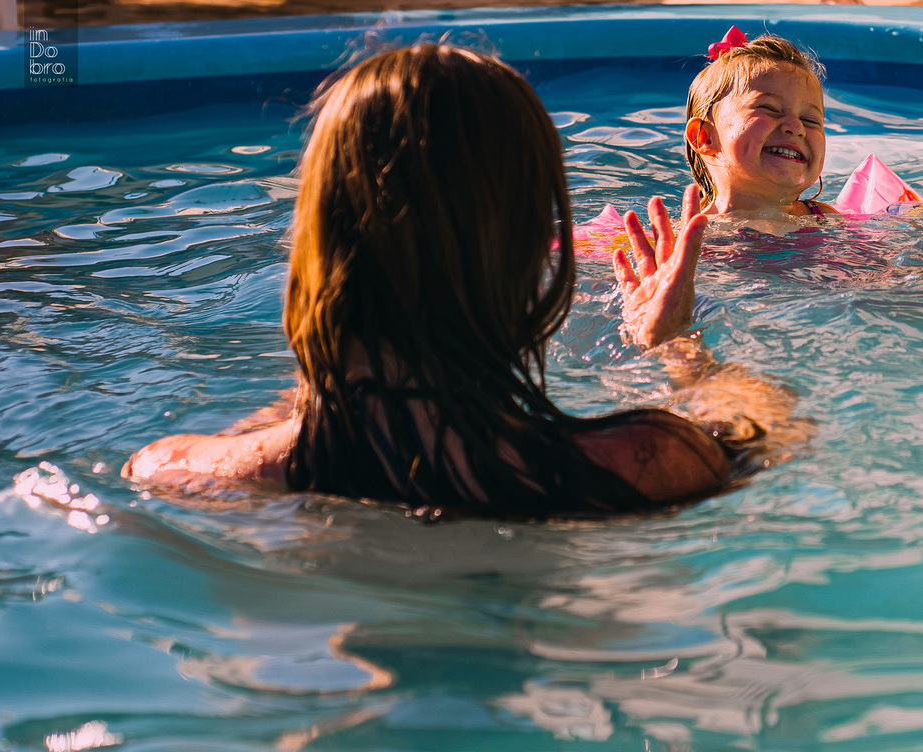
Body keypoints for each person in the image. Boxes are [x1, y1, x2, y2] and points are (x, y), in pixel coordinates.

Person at [123, 45, 811, 516]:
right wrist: (675, 348)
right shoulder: (643, 460)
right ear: (518, 248)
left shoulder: (179, 471)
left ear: (319, 242)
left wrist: (326, 386)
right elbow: (779, 434)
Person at [684, 27, 839, 225]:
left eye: (810, 120)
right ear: (704, 137)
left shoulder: (824, 219)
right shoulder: (685, 239)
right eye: (770, 108)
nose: (796, 127)